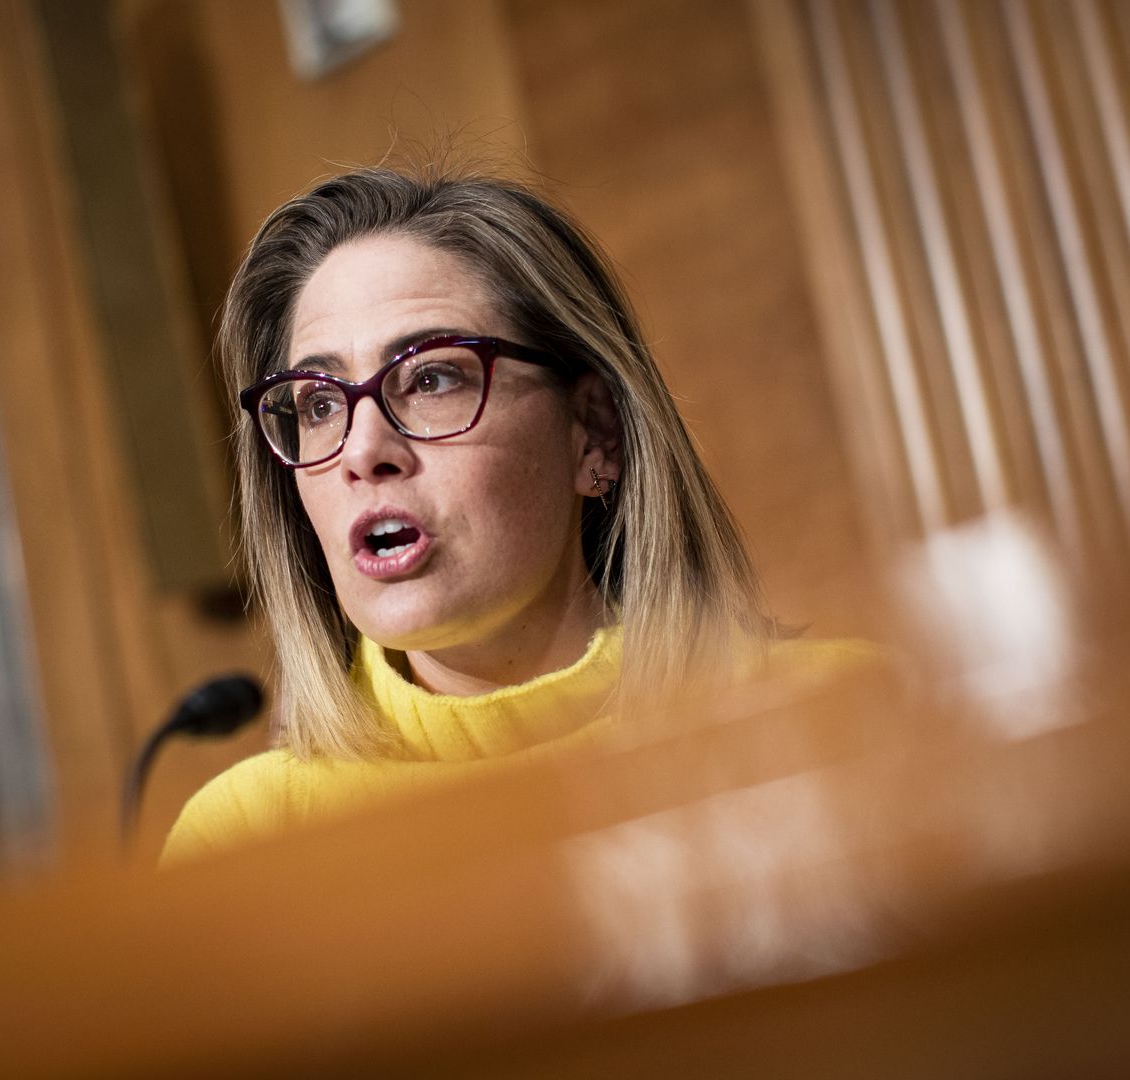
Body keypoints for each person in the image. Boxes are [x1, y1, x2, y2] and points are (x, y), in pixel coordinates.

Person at [162, 167, 877, 864]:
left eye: (431, 378)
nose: (363, 451)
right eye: (319, 404)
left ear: (595, 433)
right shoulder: (248, 837)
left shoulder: (842, 719)